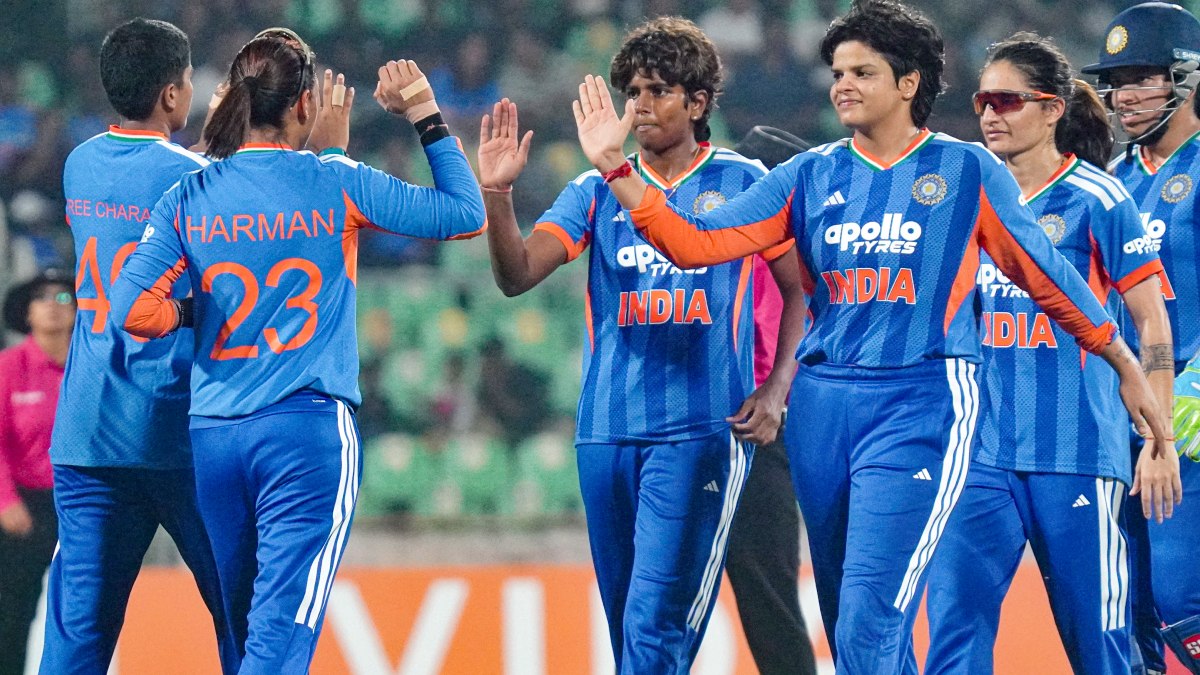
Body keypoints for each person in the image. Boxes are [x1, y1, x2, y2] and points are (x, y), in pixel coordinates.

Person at [569, 1, 1173, 671]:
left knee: (867, 616)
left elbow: (1049, 277)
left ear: (909, 83)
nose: (843, 86)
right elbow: (692, 243)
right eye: (837, 73)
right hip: (822, 409)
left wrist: (1121, 358)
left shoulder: (967, 171)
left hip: (921, 403)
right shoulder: (808, 174)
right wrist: (617, 169)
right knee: (850, 624)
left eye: (862, 72)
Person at [109, 29, 486, 672]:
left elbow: (131, 311)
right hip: (305, 434)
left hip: (214, 437)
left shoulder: (189, 195)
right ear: (305, 104)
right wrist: (424, 112)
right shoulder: (334, 181)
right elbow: (464, 213)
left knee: (242, 638)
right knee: (279, 640)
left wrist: (196, 313)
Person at [475, 18, 807, 673]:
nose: (641, 106)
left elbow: (800, 290)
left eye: (658, 91)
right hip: (605, 433)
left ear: (698, 102)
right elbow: (517, 274)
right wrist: (497, 194)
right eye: (632, 92)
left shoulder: (744, 181)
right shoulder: (592, 191)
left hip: (699, 431)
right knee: (631, 626)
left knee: (656, 628)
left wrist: (777, 389)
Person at [923, 33, 1181, 675]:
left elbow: (1152, 324)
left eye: (1008, 101)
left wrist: (1159, 441)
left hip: (1076, 451)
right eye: (983, 101)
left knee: (1099, 647)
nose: (991, 114)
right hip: (978, 453)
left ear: (1051, 110)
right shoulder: (965, 200)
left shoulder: (1098, 198)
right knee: (953, 636)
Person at [42, 19, 237, 674]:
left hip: (87, 430)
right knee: (243, 616)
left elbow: (149, 187)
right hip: (173, 428)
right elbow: (200, 198)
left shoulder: (79, 163)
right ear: (173, 94)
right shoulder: (198, 180)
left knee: (77, 636)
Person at [1083, 3, 1200, 672]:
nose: (1124, 96)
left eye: (1142, 78)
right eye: (1116, 81)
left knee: (1182, 595)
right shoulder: (1111, 182)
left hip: (1190, 420)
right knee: (1128, 605)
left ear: (1187, 77)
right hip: (1117, 419)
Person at [724, 125, 818, 675]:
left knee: (768, 590)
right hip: (758, 421)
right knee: (769, 590)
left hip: (768, 422)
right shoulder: (774, 248)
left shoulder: (796, 252)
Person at [0, 270, 72, 675]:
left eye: (64, 297)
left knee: (81, 611)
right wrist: (5, 501)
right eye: (42, 297)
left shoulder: (89, 368)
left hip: (80, 505)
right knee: (12, 612)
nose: (53, 305)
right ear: (27, 312)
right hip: (24, 510)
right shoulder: (8, 367)